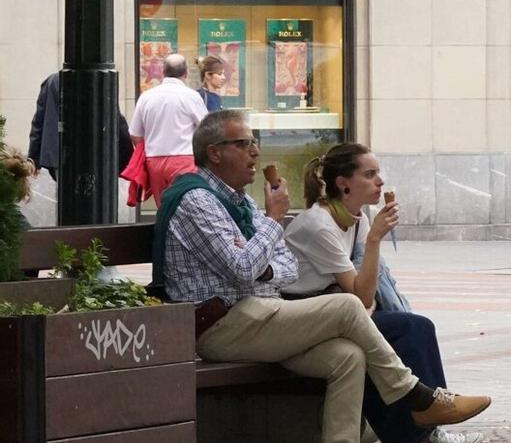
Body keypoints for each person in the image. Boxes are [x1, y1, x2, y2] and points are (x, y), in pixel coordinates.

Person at [153, 110, 490, 443]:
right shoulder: (198, 200)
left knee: (347, 356)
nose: (255, 151)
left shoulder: (239, 202)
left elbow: (285, 267)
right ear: (215, 152)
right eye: (243, 143)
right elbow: (242, 268)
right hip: (223, 325)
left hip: (261, 316)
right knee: (347, 307)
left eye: (254, 142)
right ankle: (416, 397)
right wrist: (272, 221)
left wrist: (261, 265)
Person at [284, 144, 477, 443]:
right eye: (370, 174)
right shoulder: (319, 225)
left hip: (340, 308)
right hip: (307, 315)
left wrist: (371, 243)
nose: (380, 182)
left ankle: (421, 430)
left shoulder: (356, 216)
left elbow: (366, 292)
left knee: (400, 334)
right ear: (343, 183)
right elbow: (361, 297)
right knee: (413, 329)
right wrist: (375, 238)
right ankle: (431, 421)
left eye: (378, 173)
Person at [129, 54, 210, 203]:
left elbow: (135, 135)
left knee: (164, 207)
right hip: (184, 158)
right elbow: (206, 129)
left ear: (163, 72)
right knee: (187, 206)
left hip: (154, 161)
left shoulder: (146, 97)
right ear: (185, 73)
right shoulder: (191, 96)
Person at [29, 71, 133, 181]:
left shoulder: (52, 81)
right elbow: (114, 119)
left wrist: (33, 157)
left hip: (60, 155)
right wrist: (128, 157)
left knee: (66, 193)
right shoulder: (98, 79)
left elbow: (39, 122)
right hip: (92, 155)